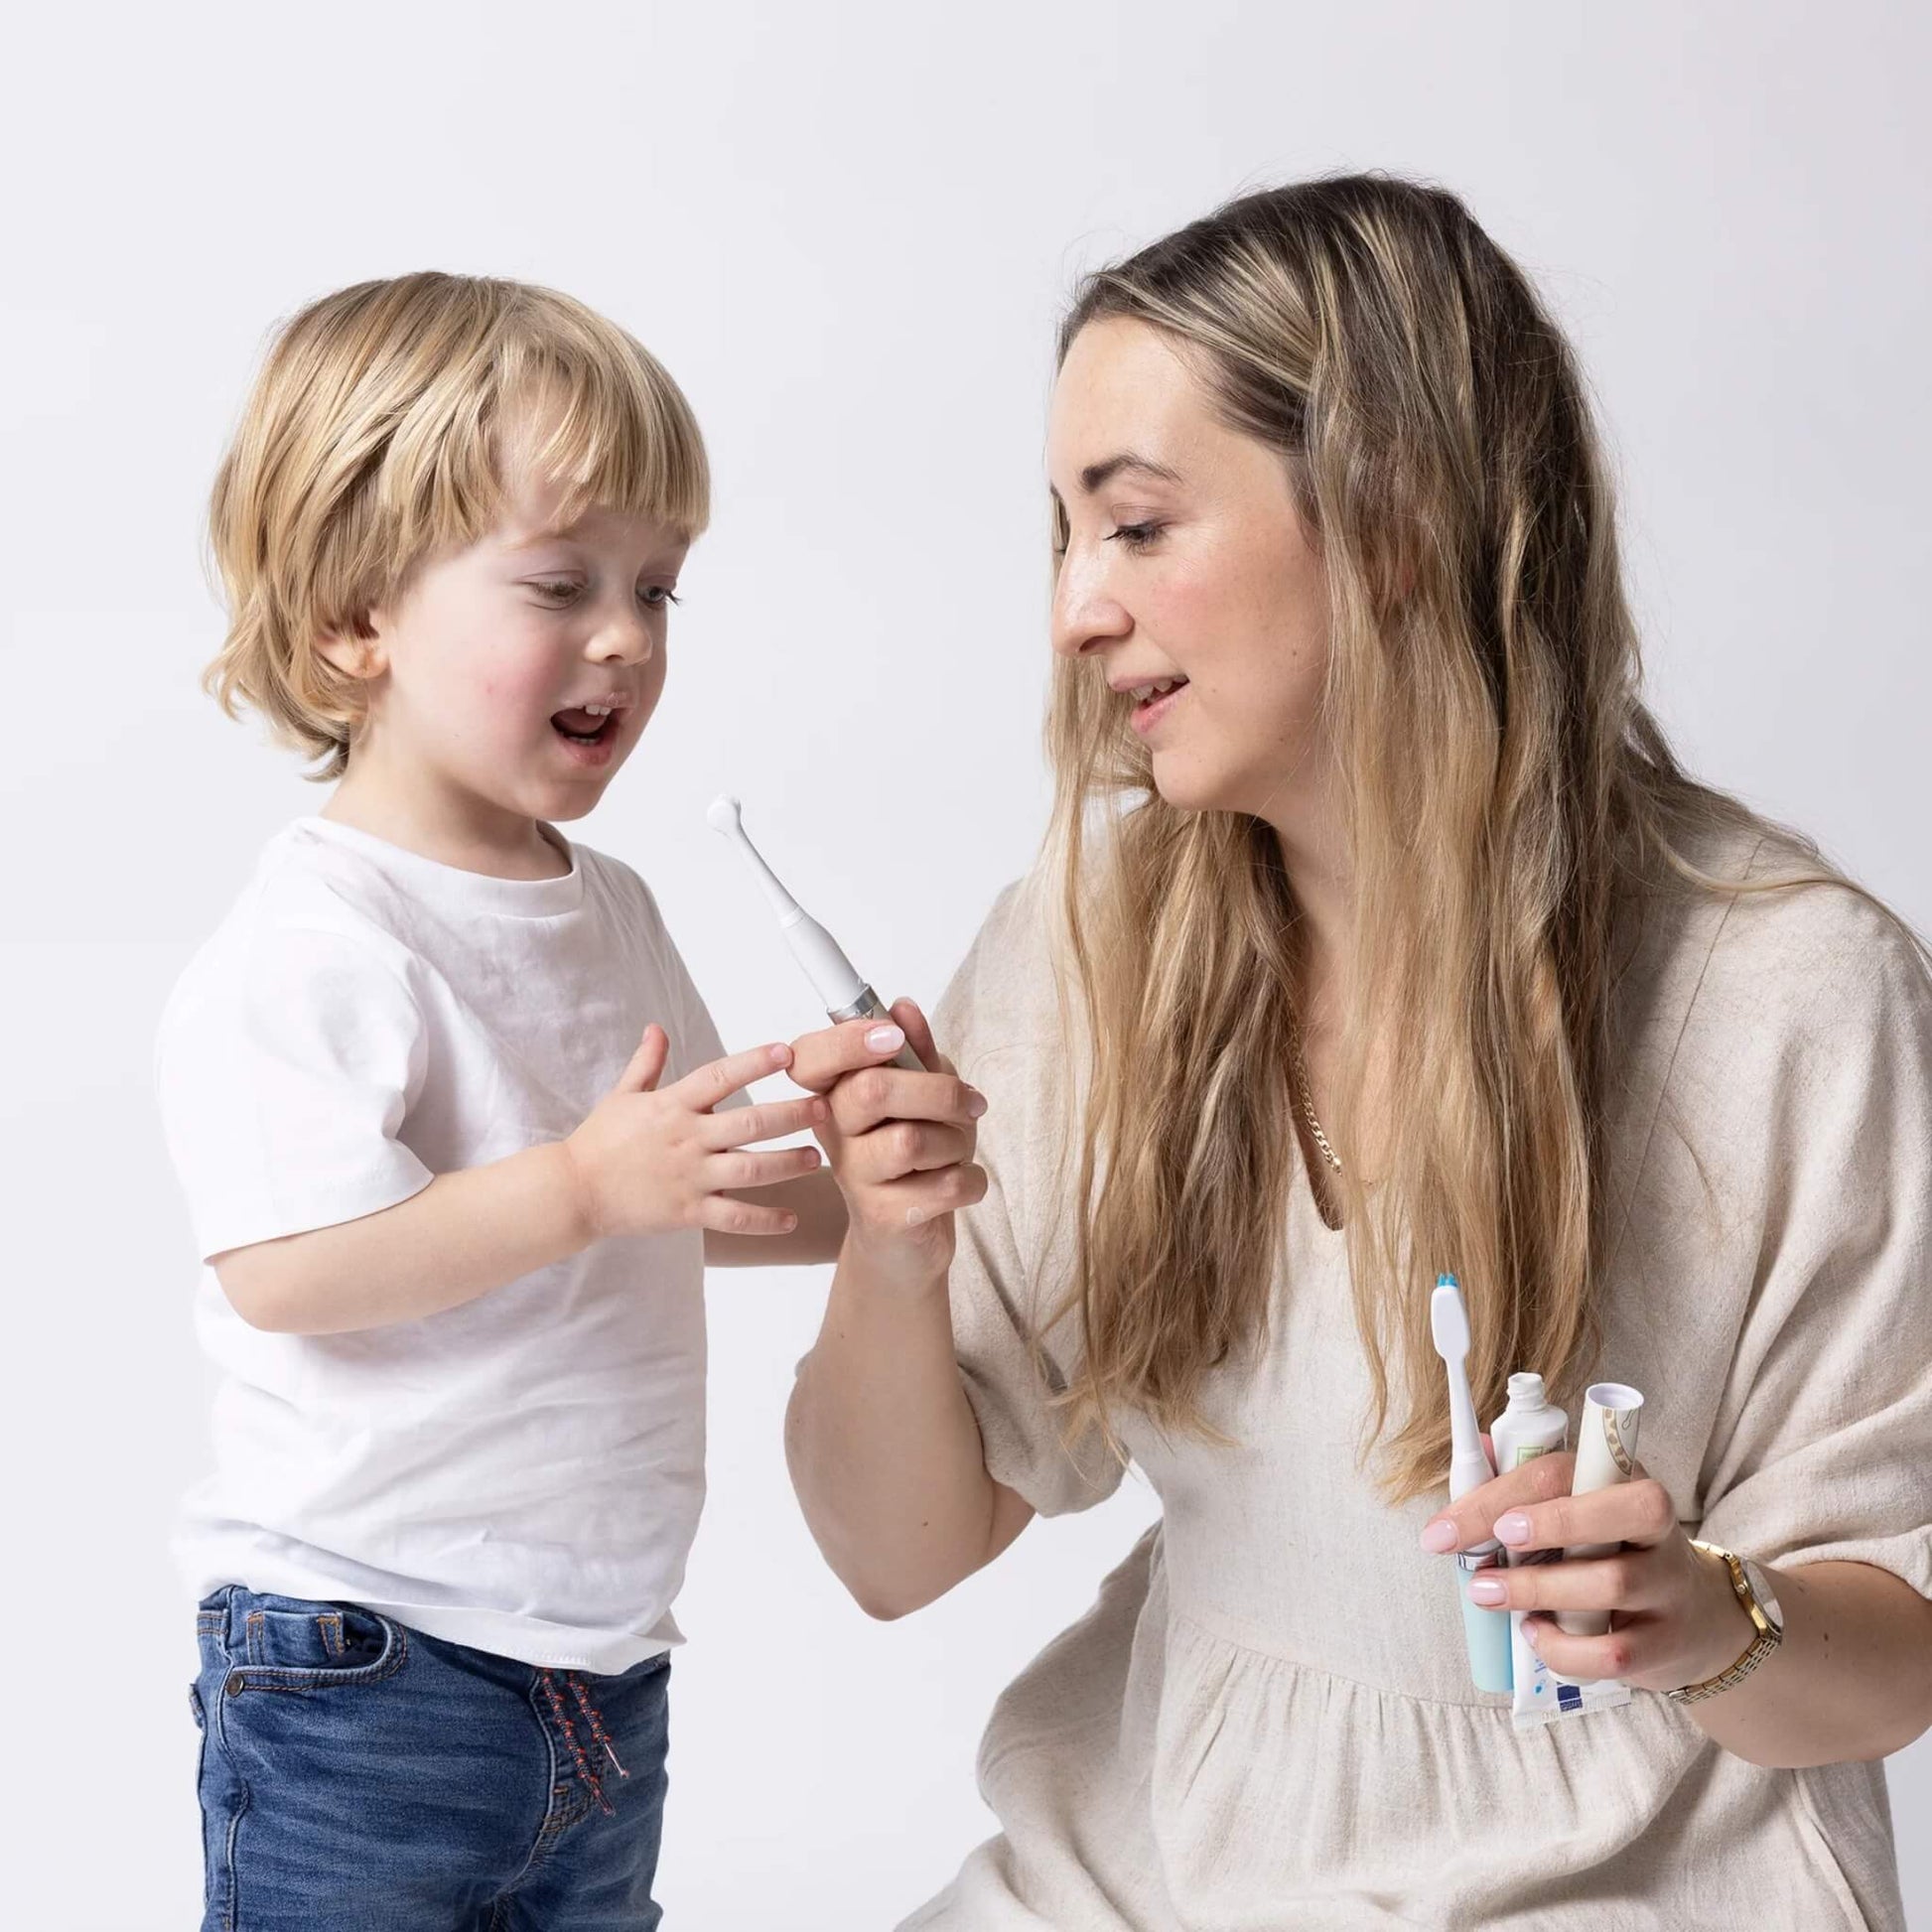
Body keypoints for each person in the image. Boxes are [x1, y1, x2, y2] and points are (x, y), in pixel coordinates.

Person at [784, 177, 1932, 1928]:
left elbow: (1887, 1659)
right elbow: (895, 1553)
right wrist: (892, 1246)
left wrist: (1698, 1617)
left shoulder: (1792, 992)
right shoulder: (1099, 937)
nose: (1074, 610)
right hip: (1142, 1867)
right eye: (1061, 536)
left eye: (1138, 526)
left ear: (1390, 519)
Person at [156, 271, 852, 1929]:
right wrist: (586, 1190)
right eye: (561, 581)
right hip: (364, 1666)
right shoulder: (318, 939)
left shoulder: (605, 905)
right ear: (352, 619)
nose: (625, 635)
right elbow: (291, 1265)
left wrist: (867, 1180)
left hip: (598, 1673)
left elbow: (696, 1178)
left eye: (659, 588)